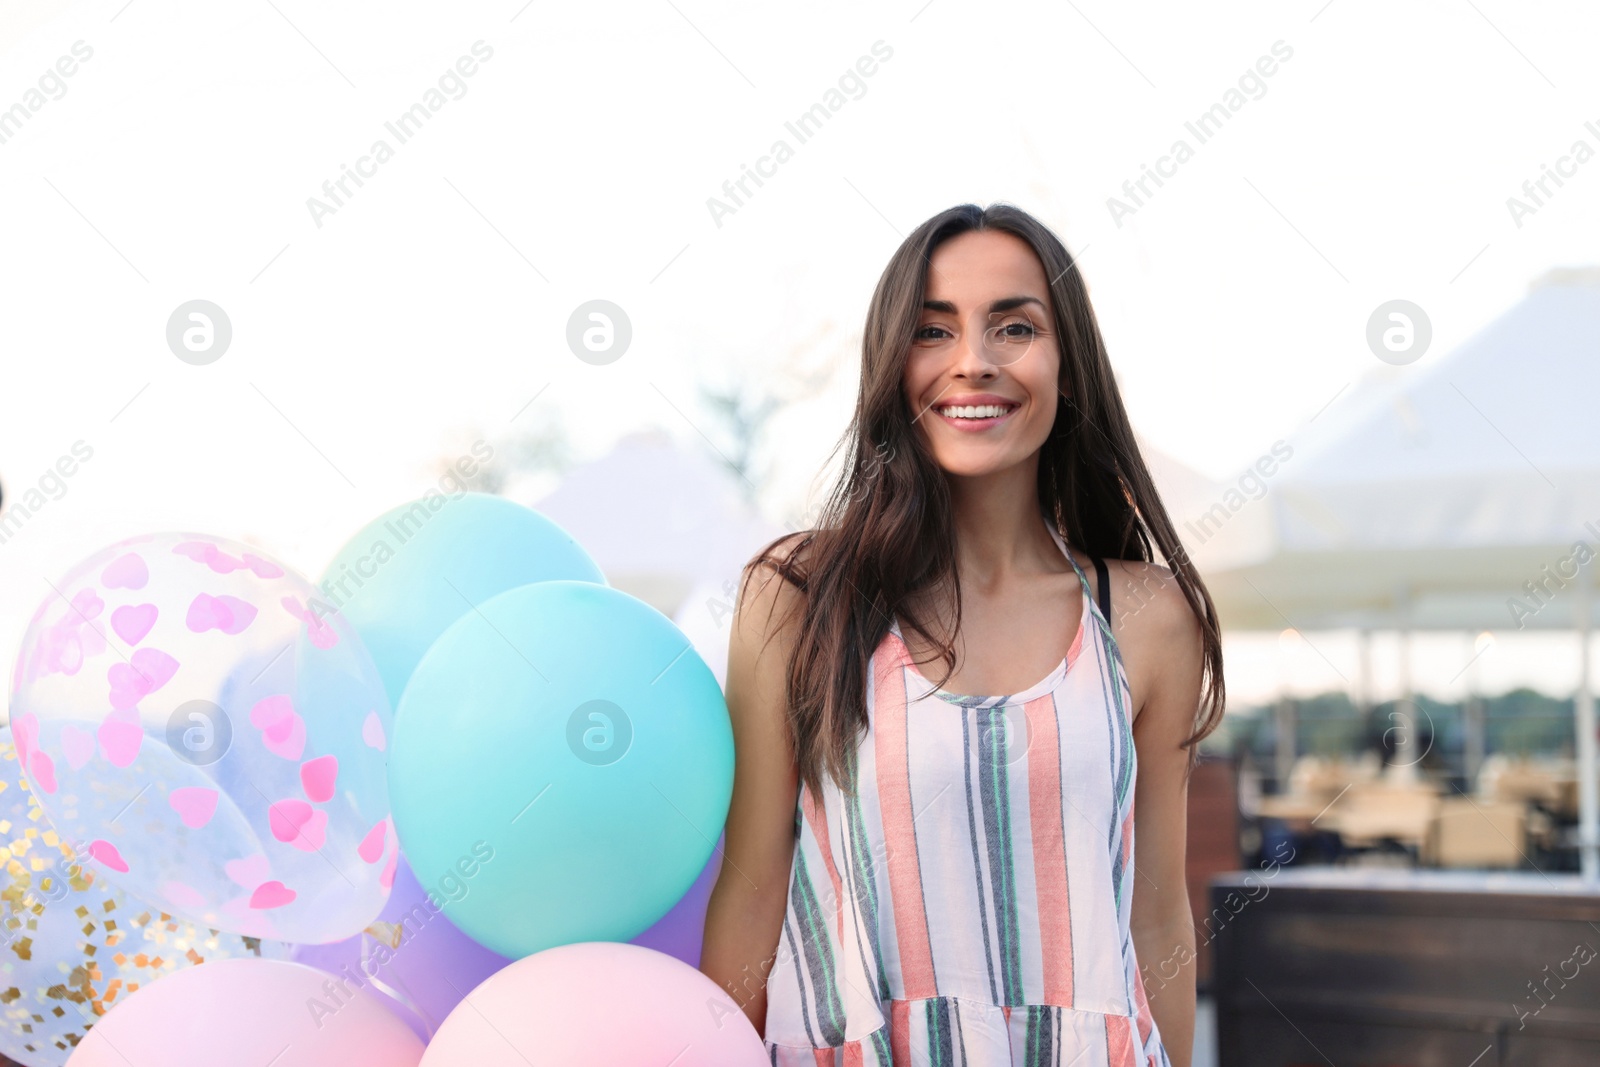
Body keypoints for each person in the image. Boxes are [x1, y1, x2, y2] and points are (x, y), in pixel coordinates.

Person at [699, 203, 1223, 1067]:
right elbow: (753, 887)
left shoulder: (1150, 619)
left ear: (1069, 363)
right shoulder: (797, 600)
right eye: (933, 331)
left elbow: (1156, 911)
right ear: (891, 363)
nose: (974, 362)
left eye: (1015, 326)